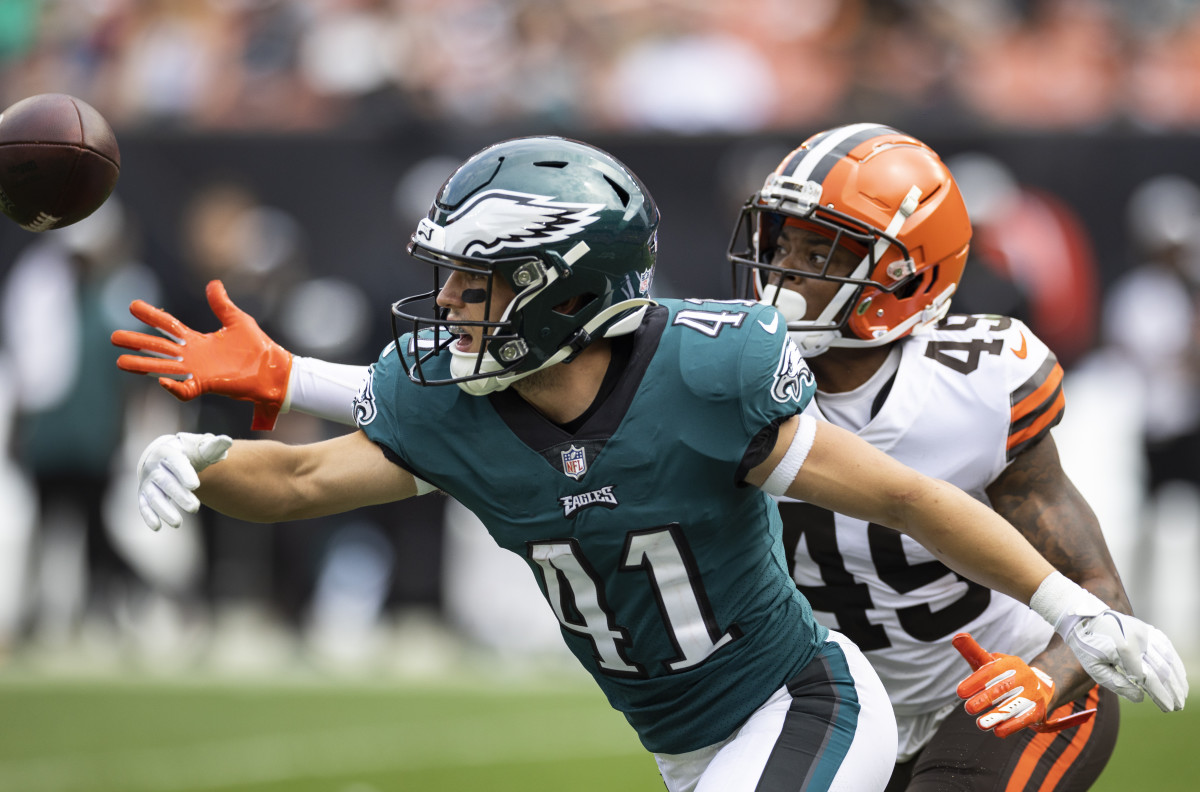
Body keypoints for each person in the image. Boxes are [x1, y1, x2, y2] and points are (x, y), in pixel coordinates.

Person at [115, 136, 1186, 792]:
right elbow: (308, 475)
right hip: (695, 739)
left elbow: (905, 493)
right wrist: (204, 455)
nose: (446, 311)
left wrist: (1071, 620)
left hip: (828, 697)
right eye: (784, 240)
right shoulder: (457, 400)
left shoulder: (724, 375)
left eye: (476, 286)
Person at [724, 122, 1147, 790]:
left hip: (1005, 681)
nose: (784, 271)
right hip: (841, 706)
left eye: (822, 252)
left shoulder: (975, 385)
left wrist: (1044, 677)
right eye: (783, 242)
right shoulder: (728, 377)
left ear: (905, 274)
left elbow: (1100, 593)